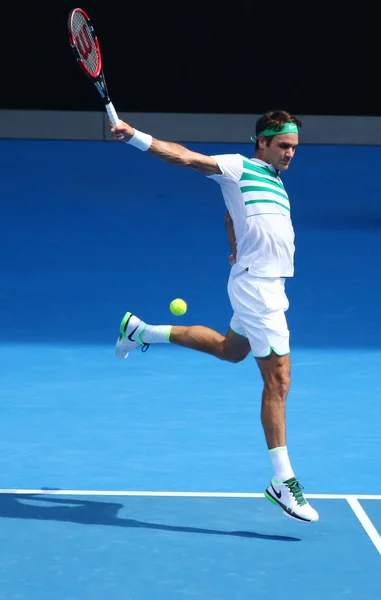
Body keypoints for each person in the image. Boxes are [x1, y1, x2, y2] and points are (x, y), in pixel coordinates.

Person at [110, 110, 319, 523]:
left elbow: (230, 217)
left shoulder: (276, 182)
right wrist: (135, 136)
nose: (291, 153)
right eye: (284, 146)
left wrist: (234, 244)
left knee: (230, 350)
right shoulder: (239, 168)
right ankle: (282, 480)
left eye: (294, 147)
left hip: (264, 284)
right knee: (278, 380)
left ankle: (141, 330)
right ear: (262, 141)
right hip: (258, 288)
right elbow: (185, 157)